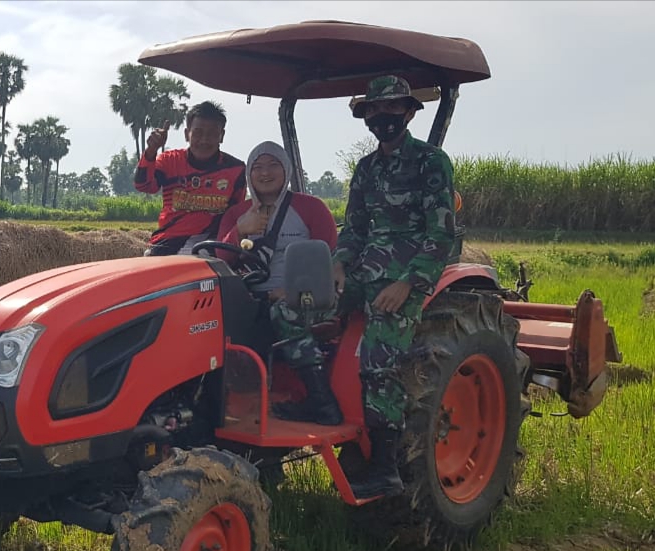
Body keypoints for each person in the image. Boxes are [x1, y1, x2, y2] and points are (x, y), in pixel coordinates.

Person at [332, 75, 457, 500]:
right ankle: (316, 405)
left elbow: (441, 235)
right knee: (301, 310)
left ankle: (383, 464)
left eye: (390, 111)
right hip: (365, 270)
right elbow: (355, 226)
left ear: (407, 112)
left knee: (379, 352)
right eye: (374, 111)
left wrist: (408, 284)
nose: (382, 118)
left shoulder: (430, 162)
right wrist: (339, 264)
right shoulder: (366, 169)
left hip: (407, 275)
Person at [217, 141, 343, 426]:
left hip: (306, 297)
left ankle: (323, 404)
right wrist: (240, 231)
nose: (265, 173)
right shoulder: (237, 215)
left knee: (284, 310)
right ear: (249, 173)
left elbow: (329, 261)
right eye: (257, 167)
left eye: (273, 165)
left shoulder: (310, 208)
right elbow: (220, 260)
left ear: (285, 170)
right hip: (252, 296)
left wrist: (290, 292)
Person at [135, 101, 247, 256]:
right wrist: (151, 151)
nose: (204, 140)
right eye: (198, 133)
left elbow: (236, 215)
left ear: (221, 136)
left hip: (212, 245)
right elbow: (144, 186)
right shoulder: (169, 161)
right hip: (168, 244)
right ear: (187, 134)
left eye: (212, 134)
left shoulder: (236, 170)